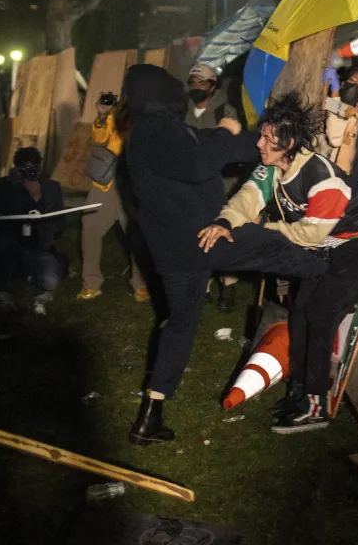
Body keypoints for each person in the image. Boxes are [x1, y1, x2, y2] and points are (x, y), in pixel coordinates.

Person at [123, 66, 325, 445]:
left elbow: (206, 149)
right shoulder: (155, 130)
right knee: (287, 249)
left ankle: (149, 417)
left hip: (174, 252)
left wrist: (269, 141)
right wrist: (225, 132)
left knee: (179, 326)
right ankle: (329, 286)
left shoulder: (150, 133)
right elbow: (202, 160)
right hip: (204, 239)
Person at [200, 93, 358, 434]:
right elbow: (247, 198)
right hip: (324, 239)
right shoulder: (275, 165)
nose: (258, 143)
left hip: (357, 242)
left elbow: (308, 237)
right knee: (300, 309)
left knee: (321, 313)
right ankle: (300, 390)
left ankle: (316, 404)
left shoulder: (322, 178)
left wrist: (258, 231)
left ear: (287, 143)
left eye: (266, 139)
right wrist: (226, 222)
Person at [77, 93, 150, 302]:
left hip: (133, 184)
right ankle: (91, 283)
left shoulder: (147, 116)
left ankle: (141, 284)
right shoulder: (113, 116)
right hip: (107, 183)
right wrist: (101, 116)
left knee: (137, 233)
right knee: (90, 228)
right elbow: (99, 138)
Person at [184, 62, 244, 312]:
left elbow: (232, 148)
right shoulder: (182, 111)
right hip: (193, 186)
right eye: (193, 83)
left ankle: (228, 286)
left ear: (212, 86)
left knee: (221, 234)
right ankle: (204, 287)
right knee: (196, 234)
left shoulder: (224, 110)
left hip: (221, 184)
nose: (197, 87)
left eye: (202, 83)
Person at [0, 147, 66, 315]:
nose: (31, 172)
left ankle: (35, 279)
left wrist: (47, 222)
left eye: (34, 167)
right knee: (3, 248)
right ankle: (4, 289)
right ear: (16, 168)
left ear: (40, 166)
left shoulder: (52, 188)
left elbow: (61, 225)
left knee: (50, 281)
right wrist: (12, 187)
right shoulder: (6, 185)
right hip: (13, 246)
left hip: (40, 247)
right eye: (25, 168)